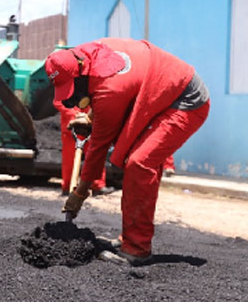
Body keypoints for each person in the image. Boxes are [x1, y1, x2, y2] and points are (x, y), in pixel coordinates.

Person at [45, 38, 210, 265]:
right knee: (136, 161)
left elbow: (98, 150)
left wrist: (79, 194)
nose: (72, 95)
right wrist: (91, 117)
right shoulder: (91, 53)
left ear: (80, 71)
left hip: (186, 100)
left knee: (140, 163)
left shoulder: (109, 90)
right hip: (161, 90)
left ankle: (136, 249)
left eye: (72, 89)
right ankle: (128, 238)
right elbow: (118, 87)